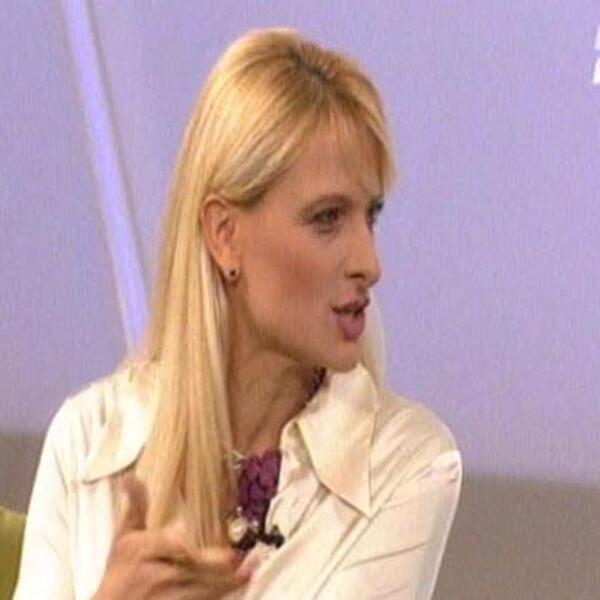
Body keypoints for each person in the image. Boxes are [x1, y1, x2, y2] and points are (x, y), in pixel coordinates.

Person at [14, 27, 462, 599]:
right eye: (327, 218)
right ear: (225, 235)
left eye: (369, 216)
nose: (369, 264)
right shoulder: (86, 439)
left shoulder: (410, 464)